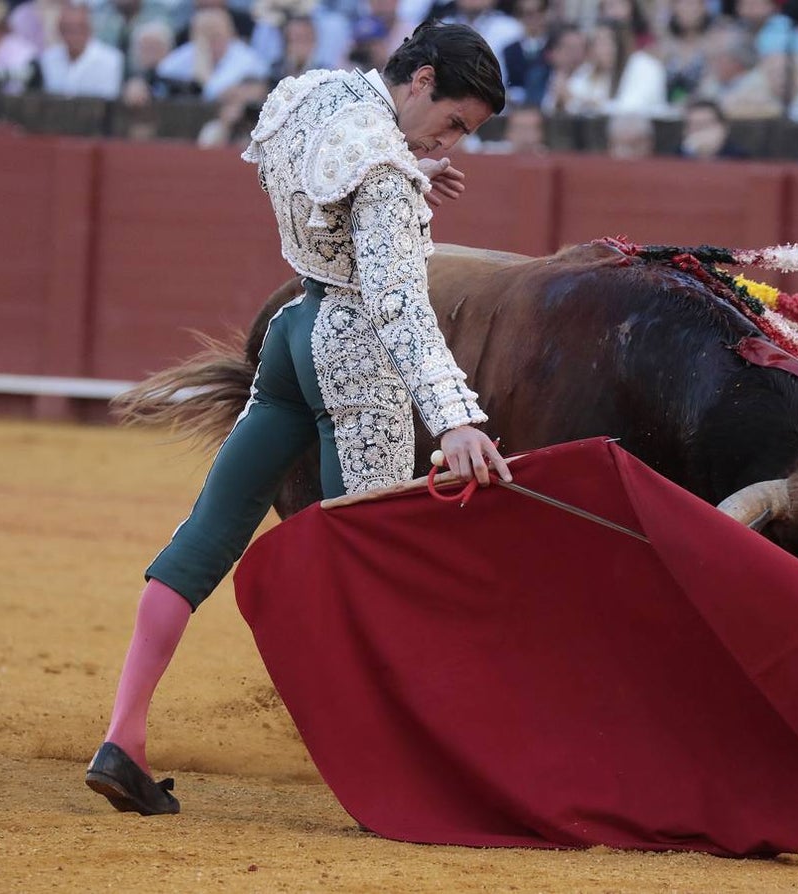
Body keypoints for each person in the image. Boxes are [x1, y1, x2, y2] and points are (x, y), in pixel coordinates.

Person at [84, 20, 512, 817]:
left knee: (205, 535)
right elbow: (397, 304)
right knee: (375, 569)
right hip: (355, 362)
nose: (455, 141)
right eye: (453, 122)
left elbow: (323, 169)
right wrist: (454, 416)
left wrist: (414, 165)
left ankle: (123, 738)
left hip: (290, 334)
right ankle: (397, 777)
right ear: (419, 80)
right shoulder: (382, 173)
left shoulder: (314, 94)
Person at [34, 2, 125, 99]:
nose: (73, 35)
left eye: (79, 28)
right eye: (68, 29)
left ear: (89, 29)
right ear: (59, 30)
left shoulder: (111, 60)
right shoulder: (47, 59)